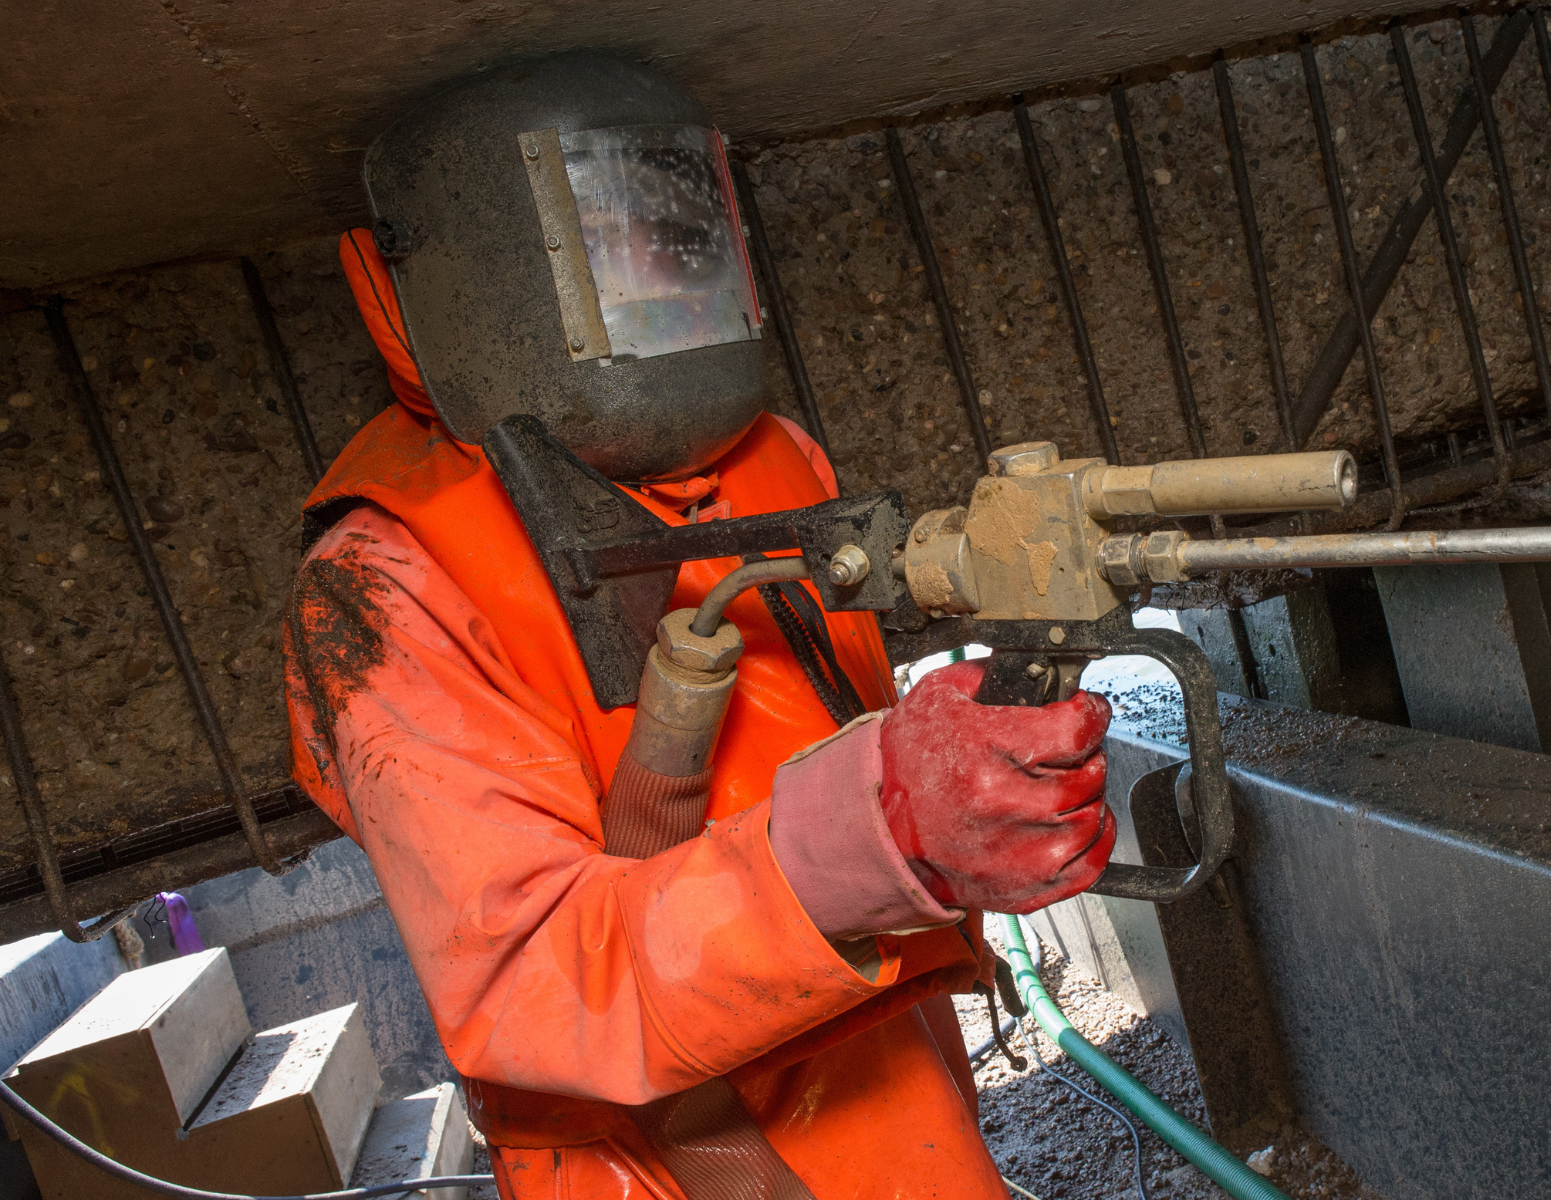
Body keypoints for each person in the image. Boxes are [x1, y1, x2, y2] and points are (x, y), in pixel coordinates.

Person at [282, 51, 1116, 1200]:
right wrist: (877, 830)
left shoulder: (773, 461)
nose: (665, 285)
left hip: (862, 1031)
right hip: (658, 1150)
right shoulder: (382, 585)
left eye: (679, 238)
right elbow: (532, 982)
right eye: (610, 256)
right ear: (417, 290)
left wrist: (940, 808)